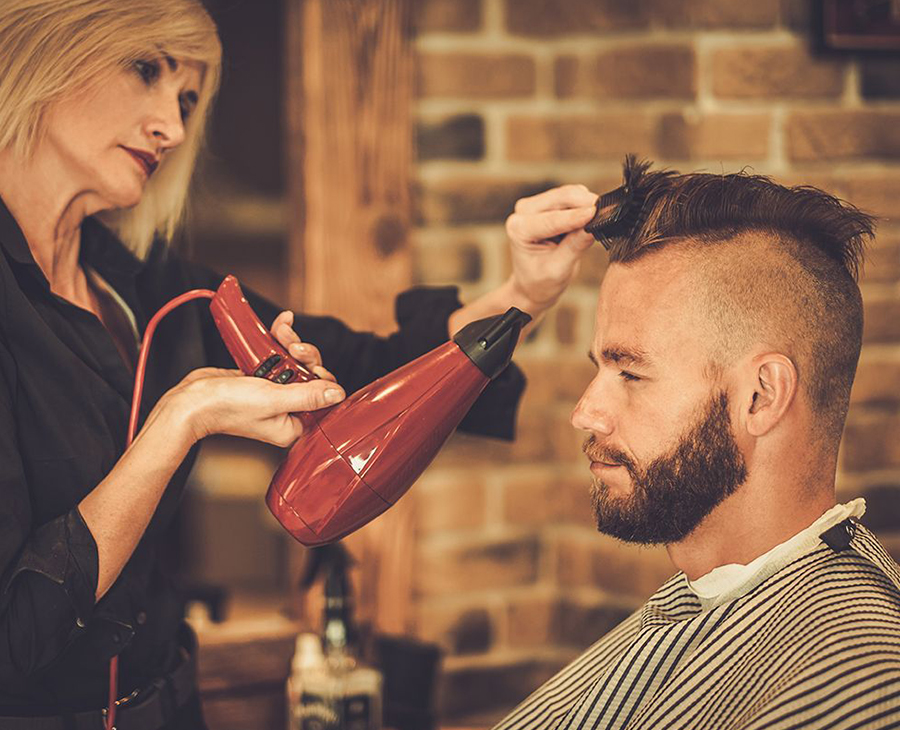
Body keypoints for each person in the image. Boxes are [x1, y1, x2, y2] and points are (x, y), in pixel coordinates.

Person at [0, 1, 600, 727]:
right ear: (44, 53)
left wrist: (522, 294)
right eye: (145, 71)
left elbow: (380, 369)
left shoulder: (151, 288)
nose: (174, 128)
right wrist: (178, 422)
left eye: (187, 99)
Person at [494, 158, 900, 730]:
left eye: (630, 373)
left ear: (760, 397)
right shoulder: (703, 601)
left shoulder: (864, 680)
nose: (585, 414)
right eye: (600, 370)